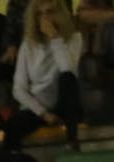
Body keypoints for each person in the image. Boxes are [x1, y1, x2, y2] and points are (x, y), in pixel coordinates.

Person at [10, 0, 84, 153]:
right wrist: (43, 113)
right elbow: (18, 88)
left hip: (64, 102)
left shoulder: (74, 38)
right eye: (39, 14)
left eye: (50, 12)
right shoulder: (28, 45)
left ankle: (72, 140)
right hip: (40, 105)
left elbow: (68, 70)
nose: (45, 18)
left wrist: (54, 38)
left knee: (67, 79)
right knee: (13, 126)